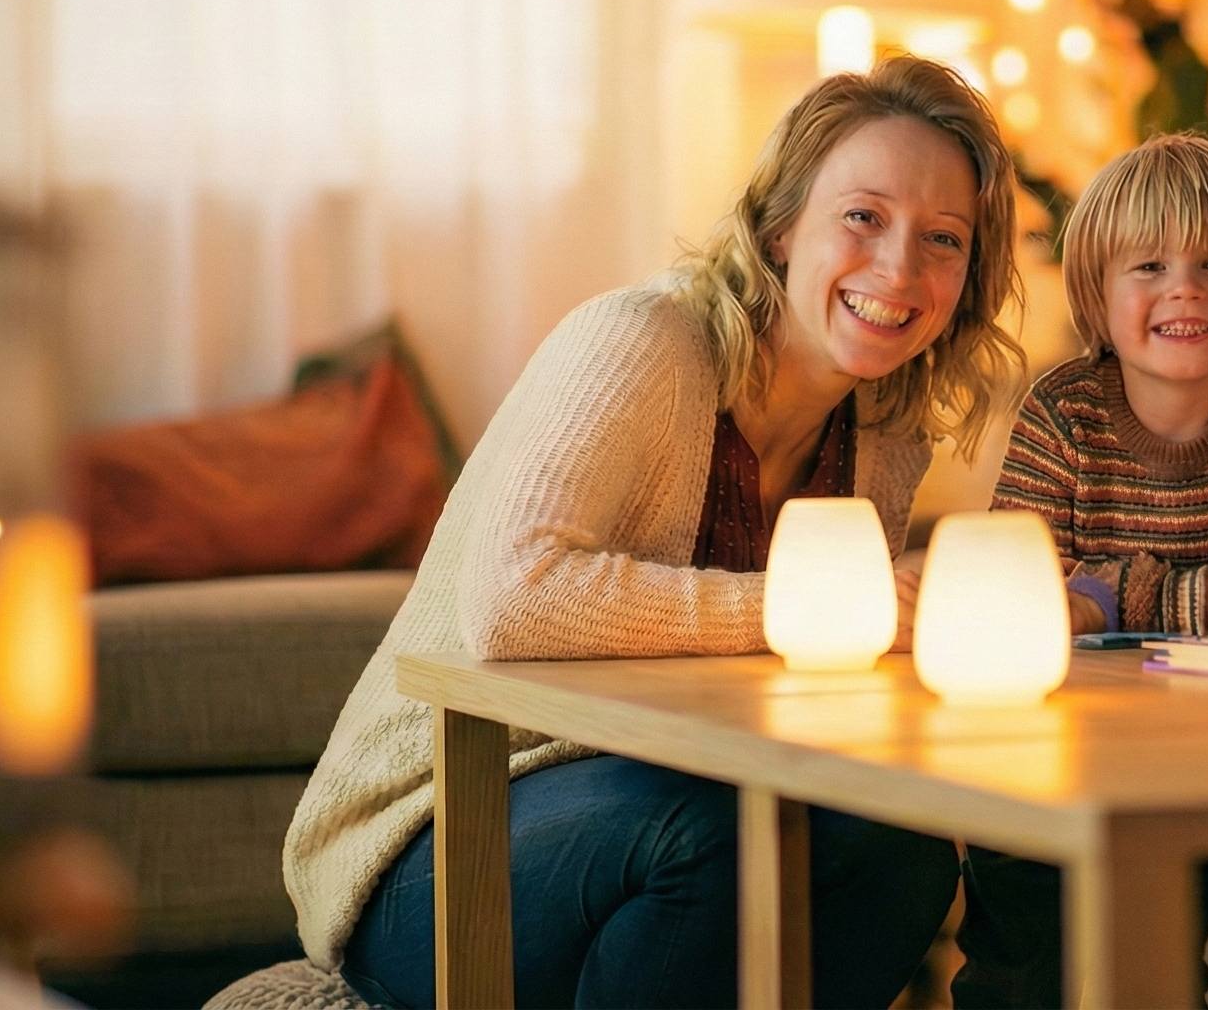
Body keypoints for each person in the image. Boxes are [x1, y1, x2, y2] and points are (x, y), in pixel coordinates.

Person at [283, 56, 1025, 1009]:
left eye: (944, 239)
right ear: (778, 224)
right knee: (711, 834)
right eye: (862, 217)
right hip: (437, 836)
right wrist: (812, 610)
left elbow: (817, 670)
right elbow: (513, 604)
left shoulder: (885, 429)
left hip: (668, 816)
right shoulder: (642, 341)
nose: (899, 268)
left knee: (904, 853)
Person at [953, 132, 1208, 1008]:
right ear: (1095, 293)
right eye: (1147, 266)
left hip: (1192, 752)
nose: (1185, 289)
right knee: (1015, 966)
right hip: (1042, 734)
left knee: (1163, 968)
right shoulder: (1063, 410)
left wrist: (1099, 591)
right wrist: (1183, 594)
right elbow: (1019, 586)